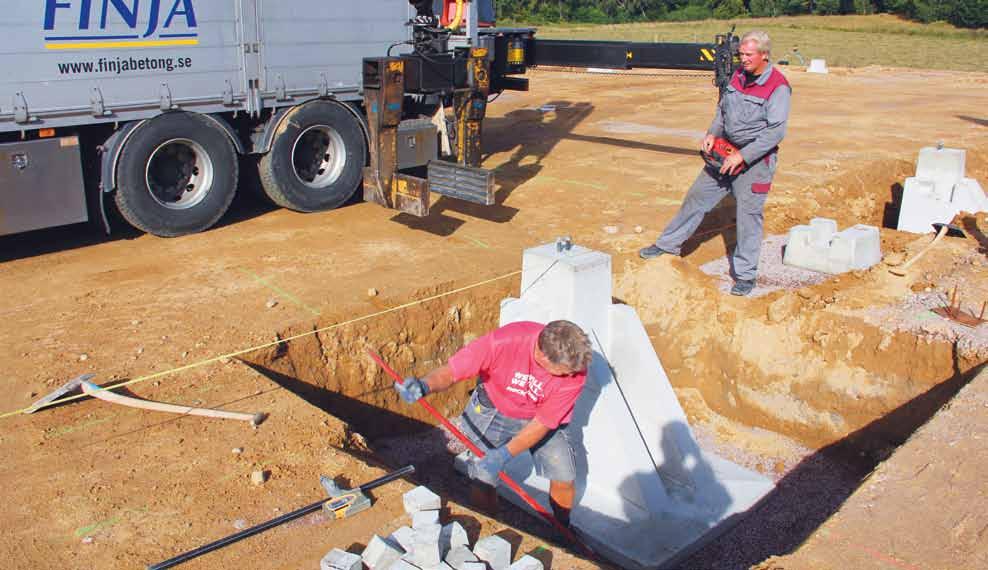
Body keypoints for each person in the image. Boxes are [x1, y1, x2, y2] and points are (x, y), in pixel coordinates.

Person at [393, 320, 593, 527]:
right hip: (495, 407)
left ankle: (562, 526)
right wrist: (425, 385)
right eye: (564, 372)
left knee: (564, 476)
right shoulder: (504, 342)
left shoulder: (575, 371)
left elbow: (542, 424)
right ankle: (493, 526)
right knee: (483, 475)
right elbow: (453, 371)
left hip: (538, 419)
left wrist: (505, 454)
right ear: (542, 356)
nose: (571, 376)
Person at [639, 30, 792, 297]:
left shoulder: (777, 87)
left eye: (748, 55)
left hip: (754, 161)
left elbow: (775, 132)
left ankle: (745, 276)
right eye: (740, 54)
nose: (742, 59)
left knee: (748, 217)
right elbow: (723, 111)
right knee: (697, 197)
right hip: (725, 152)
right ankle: (668, 244)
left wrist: (742, 157)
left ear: (764, 55)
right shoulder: (737, 76)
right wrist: (712, 133)